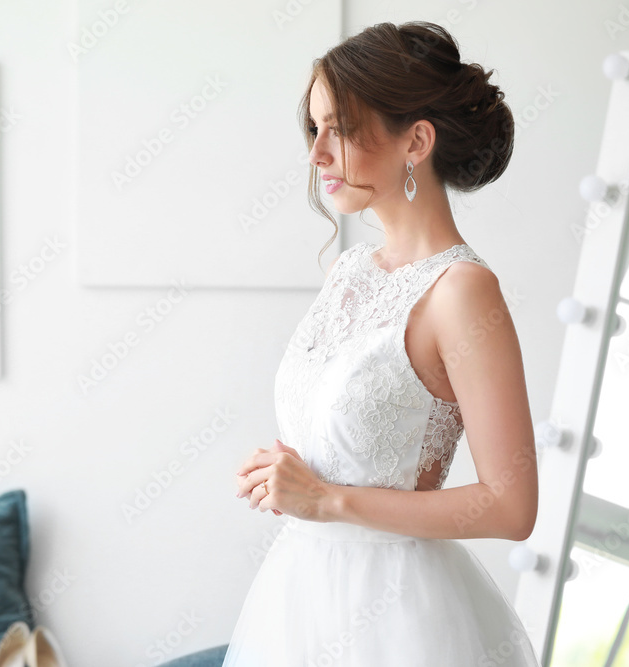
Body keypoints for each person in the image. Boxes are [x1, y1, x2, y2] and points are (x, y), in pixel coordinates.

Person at [223, 21, 542, 666]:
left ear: (416, 140)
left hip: (399, 618)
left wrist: (326, 499)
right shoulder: (350, 271)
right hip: (298, 600)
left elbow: (512, 506)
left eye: (337, 128)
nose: (316, 154)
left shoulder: (462, 292)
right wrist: (289, 474)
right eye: (313, 129)